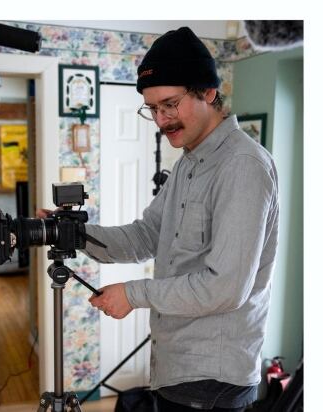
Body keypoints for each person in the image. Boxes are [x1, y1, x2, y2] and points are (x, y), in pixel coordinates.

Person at [77, 27, 279, 411]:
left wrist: (132, 294)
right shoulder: (190, 160)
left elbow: (226, 287)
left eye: (170, 104)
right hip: (178, 366)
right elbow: (145, 235)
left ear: (208, 92)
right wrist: (72, 234)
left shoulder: (242, 166)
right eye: (153, 108)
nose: (162, 119)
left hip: (213, 380)